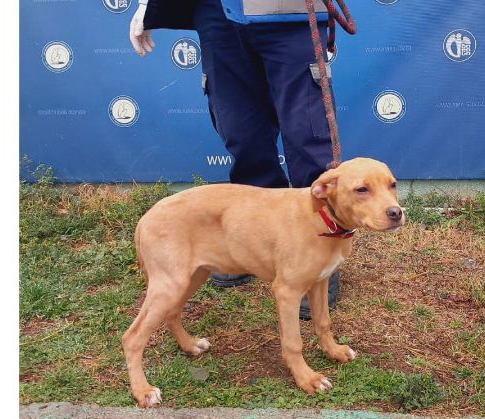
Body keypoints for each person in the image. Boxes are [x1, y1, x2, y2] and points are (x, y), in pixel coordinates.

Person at [129, 0, 340, 320]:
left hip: (286, 11)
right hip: (216, 12)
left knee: (307, 135)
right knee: (242, 132)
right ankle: (253, 248)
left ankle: (318, 250)